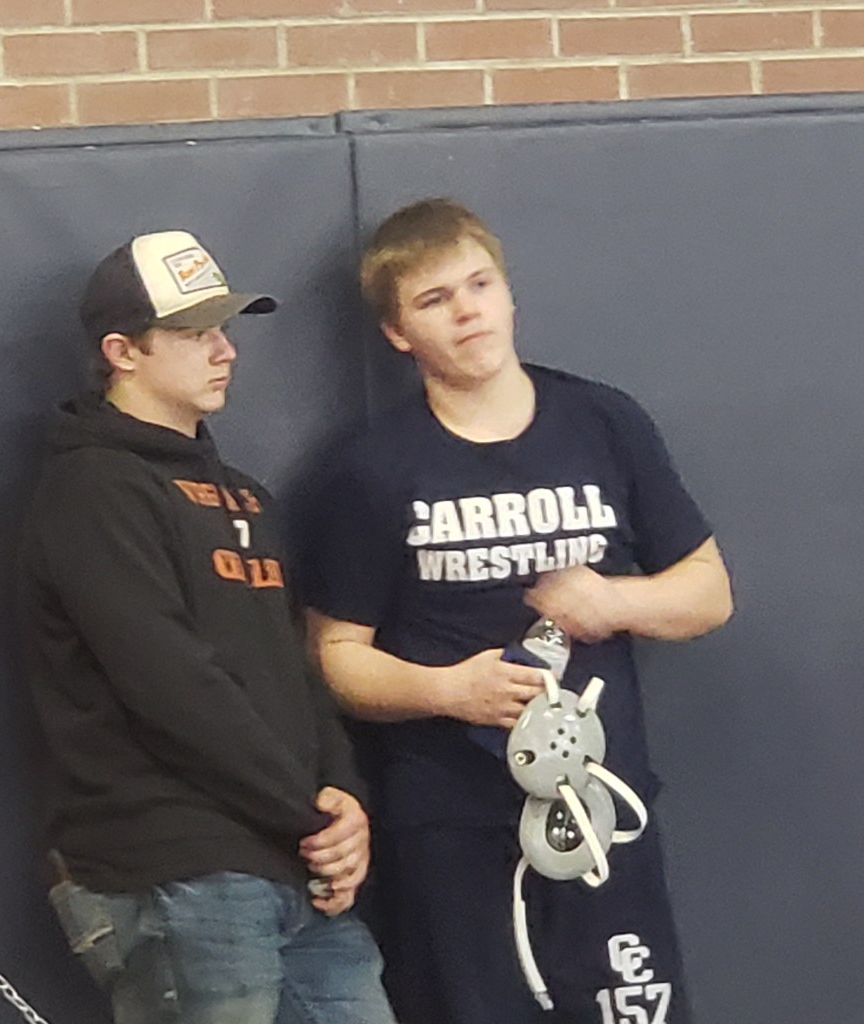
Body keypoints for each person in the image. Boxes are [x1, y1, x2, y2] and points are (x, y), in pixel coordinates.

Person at [303, 199, 734, 1024]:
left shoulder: (603, 423)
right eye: (435, 300)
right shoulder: (371, 469)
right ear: (397, 333)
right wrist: (447, 691)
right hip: (455, 823)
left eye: (480, 285)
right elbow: (332, 657)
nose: (467, 312)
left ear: (508, 293)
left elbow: (709, 591)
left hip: (600, 807)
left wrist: (615, 600)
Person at [18, 230, 396, 1024]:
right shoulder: (92, 488)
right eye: (194, 333)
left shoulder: (246, 496)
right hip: (172, 867)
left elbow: (296, 669)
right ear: (123, 351)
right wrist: (308, 818)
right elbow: (170, 683)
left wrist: (343, 797)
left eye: (224, 328)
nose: (225, 350)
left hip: (292, 864)